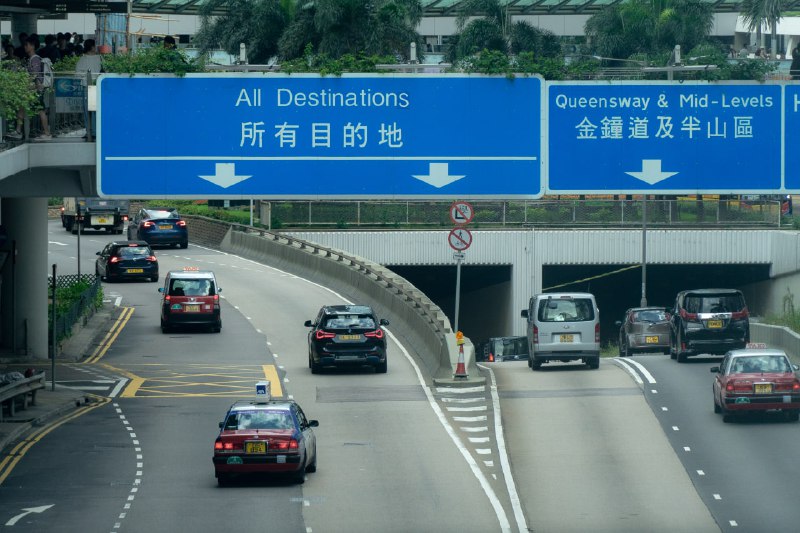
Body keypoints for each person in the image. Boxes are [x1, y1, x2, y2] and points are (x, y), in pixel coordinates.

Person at [7, 36, 52, 140]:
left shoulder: (34, 59)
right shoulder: (33, 58)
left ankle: (47, 133)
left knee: (40, 110)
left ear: (32, 46)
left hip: (35, 90)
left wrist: (26, 84)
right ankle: (18, 131)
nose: (25, 47)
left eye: (27, 45)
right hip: (33, 90)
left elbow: (35, 74)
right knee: (23, 108)